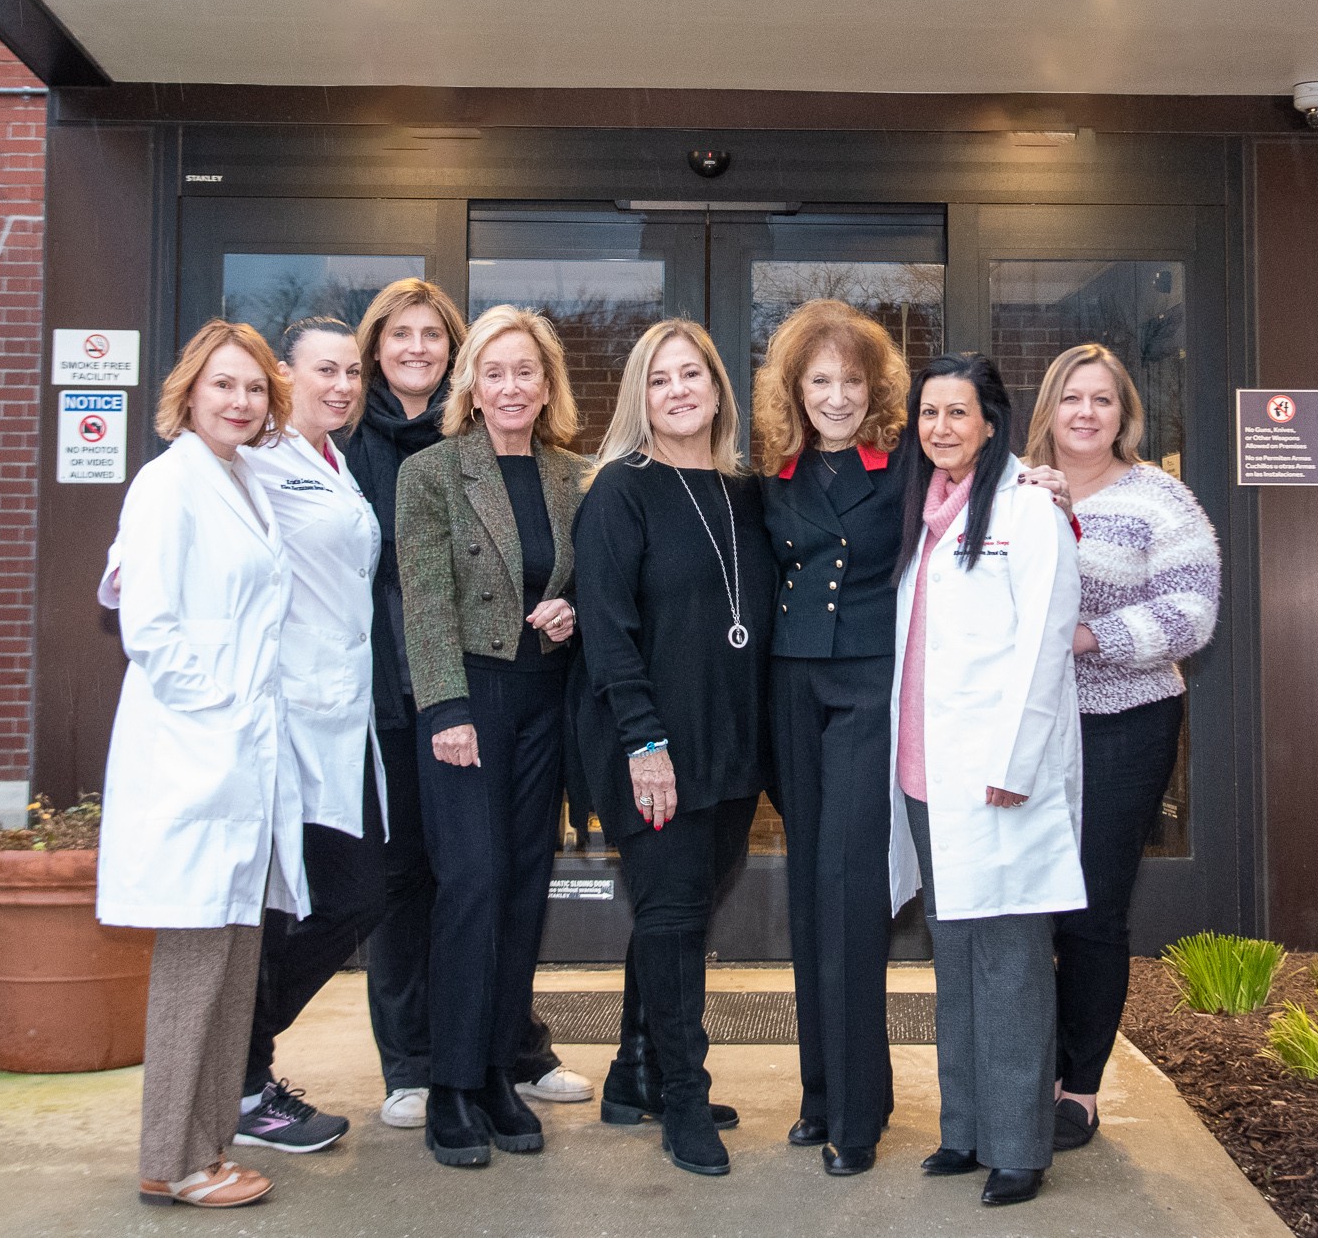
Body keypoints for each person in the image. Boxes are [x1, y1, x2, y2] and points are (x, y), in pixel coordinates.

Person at [346, 279, 589, 1129]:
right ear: (472, 387)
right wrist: (445, 710)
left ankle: (494, 1072)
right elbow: (425, 599)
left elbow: (594, 583)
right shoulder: (430, 472)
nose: (513, 386)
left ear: (548, 384)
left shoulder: (573, 477)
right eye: (496, 372)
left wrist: (577, 609)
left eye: (528, 371)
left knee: (525, 886)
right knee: (472, 884)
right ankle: (448, 1083)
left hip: (541, 701)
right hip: (466, 702)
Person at [98, 321, 304, 1211]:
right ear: (189, 392)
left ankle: (206, 1144)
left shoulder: (244, 479)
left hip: (241, 758)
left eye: (255, 389)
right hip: (197, 751)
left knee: (233, 956)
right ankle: (169, 1159)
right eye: (224, 385)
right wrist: (224, 716)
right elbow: (149, 627)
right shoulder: (166, 483)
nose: (240, 402)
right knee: (194, 961)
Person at [573, 320, 775, 1178]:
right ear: (640, 398)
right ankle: (683, 1102)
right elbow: (607, 630)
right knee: (672, 914)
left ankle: (634, 1073)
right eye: (660, 380)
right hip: (651, 739)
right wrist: (644, 743)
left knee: (680, 907)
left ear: (719, 388)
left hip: (730, 738)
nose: (679, 391)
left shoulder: (747, 493)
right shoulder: (621, 489)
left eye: (693, 373)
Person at [888, 352, 1082, 1210]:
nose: (940, 429)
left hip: (1000, 775)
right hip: (928, 775)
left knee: (1009, 961)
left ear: (992, 422)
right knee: (956, 956)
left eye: (957, 414)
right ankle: (963, 1130)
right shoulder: (922, 512)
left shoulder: (1027, 509)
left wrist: (1015, 762)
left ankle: (1018, 1145)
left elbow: (1046, 641)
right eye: (928, 414)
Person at [1023, 344, 1219, 1152]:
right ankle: (1024, 1072)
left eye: (1102, 400)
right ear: (1050, 409)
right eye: (1072, 398)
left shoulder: (1159, 500)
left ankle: (1080, 1088)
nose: (1086, 413)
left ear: (1123, 414)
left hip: (1124, 723)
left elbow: (1192, 614)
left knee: (1092, 909)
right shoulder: (1012, 487)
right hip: (1027, 729)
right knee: (1028, 908)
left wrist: (1088, 636)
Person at [751, 299, 910, 1177]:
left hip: (868, 684)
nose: (838, 397)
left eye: (853, 380)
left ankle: (858, 1115)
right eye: (820, 380)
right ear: (795, 387)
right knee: (812, 888)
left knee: (851, 888)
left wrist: (1034, 482)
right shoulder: (776, 472)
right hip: (790, 684)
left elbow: (978, 494)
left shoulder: (908, 463)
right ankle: (826, 1093)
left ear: (876, 385)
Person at [229, 318, 389, 1154]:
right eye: (324, 369)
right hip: (283, 722)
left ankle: (238, 1066)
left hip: (342, 721)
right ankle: (243, 1080)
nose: (343, 385)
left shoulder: (337, 463)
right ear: (283, 377)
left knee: (352, 897)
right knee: (289, 907)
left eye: (353, 372)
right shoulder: (253, 464)